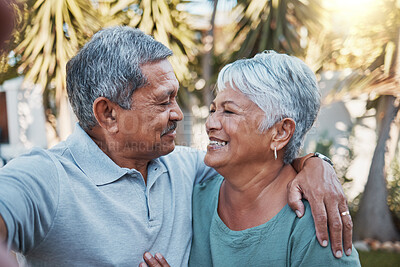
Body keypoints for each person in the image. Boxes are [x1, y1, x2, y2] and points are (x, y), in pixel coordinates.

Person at [0, 27, 349, 266]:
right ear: (108, 114)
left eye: (177, 98)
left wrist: (315, 164)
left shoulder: (186, 169)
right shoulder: (45, 177)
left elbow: (257, 161)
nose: (179, 115)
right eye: (163, 101)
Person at [187, 51, 360, 266]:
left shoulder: (314, 221)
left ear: (280, 132)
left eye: (229, 112)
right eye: (213, 110)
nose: (211, 123)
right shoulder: (192, 199)